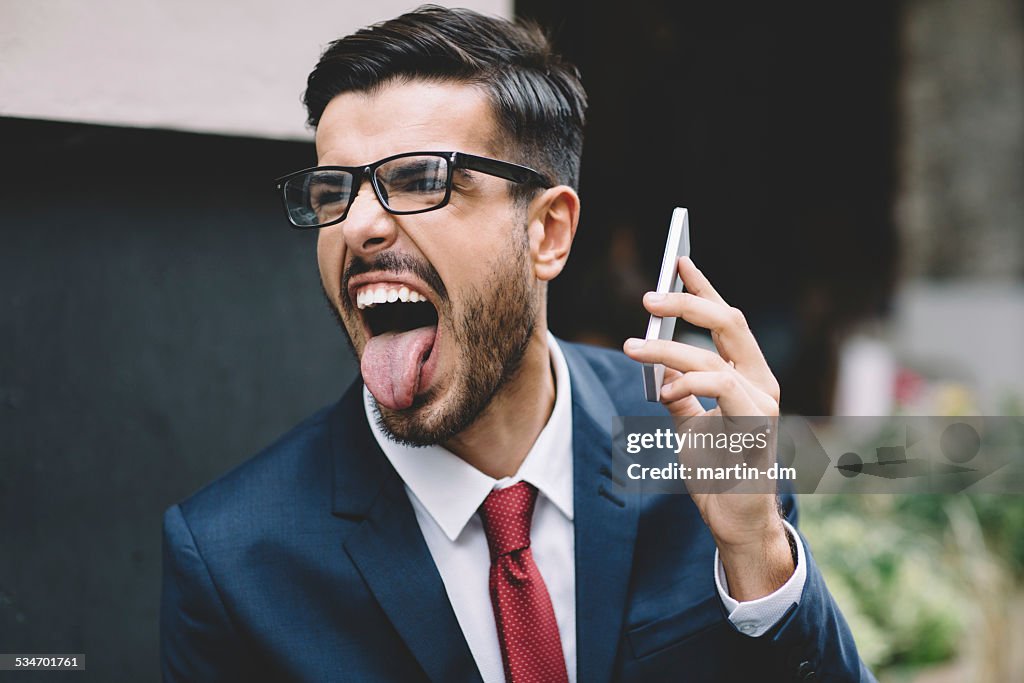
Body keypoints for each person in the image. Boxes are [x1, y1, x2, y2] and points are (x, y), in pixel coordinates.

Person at [161, 6, 875, 682]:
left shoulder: (694, 436)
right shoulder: (233, 561)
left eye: (418, 180)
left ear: (548, 233)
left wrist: (757, 551)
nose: (358, 227)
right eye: (333, 191)